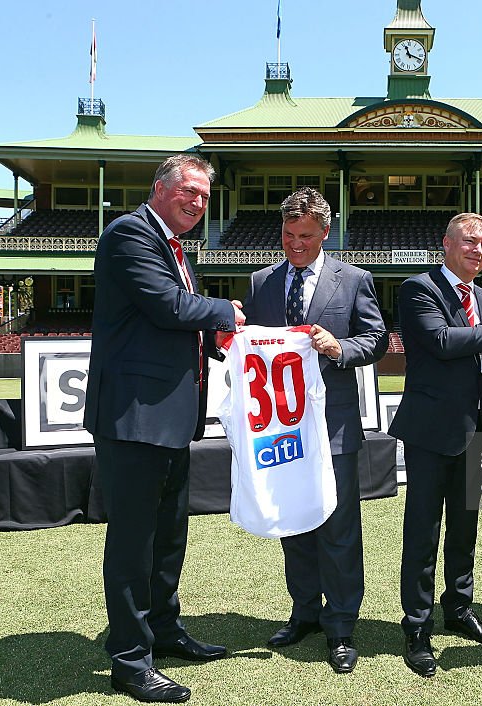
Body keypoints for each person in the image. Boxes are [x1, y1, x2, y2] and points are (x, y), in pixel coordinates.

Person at [83, 154, 245, 703]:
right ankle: (130, 660)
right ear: (160, 189)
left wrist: (216, 336)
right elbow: (167, 306)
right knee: (133, 542)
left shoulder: (175, 247)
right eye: (188, 191)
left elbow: (179, 320)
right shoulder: (129, 235)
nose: (198, 202)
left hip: (171, 416)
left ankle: (165, 630)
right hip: (133, 417)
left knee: (169, 535)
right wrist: (224, 311)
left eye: (204, 195)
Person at [389, 213, 482, 678]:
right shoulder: (419, 288)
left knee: (464, 530)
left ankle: (458, 609)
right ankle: (416, 627)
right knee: (422, 532)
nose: (479, 251)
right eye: (471, 242)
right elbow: (441, 341)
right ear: (447, 244)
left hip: (477, 430)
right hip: (430, 433)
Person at [241, 187, 388, 674]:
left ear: (327, 232)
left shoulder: (355, 280)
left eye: (306, 236)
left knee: (338, 525)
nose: (295, 244)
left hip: (335, 426)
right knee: (293, 522)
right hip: (280, 426)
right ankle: (304, 611)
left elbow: (376, 339)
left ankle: (342, 625)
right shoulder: (262, 281)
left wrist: (337, 346)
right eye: (287, 235)